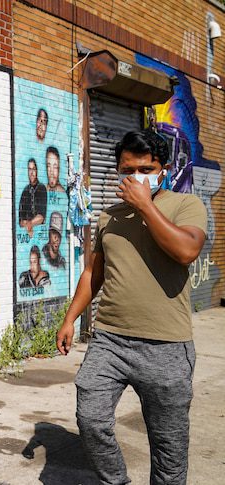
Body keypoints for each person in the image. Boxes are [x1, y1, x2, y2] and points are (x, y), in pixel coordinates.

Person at [56, 129, 207, 485]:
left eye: (146, 168)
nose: (136, 177)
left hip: (166, 346)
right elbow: (94, 272)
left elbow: (186, 251)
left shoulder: (186, 206)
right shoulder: (109, 216)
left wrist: (145, 206)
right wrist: (69, 319)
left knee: (169, 451)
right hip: (110, 341)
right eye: (128, 170)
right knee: (91, 417)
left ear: (164, 169)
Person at [19, 158, 47, 235]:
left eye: (33, 169)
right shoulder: (25, 191)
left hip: (39, 235)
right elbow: (21, 220)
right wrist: (27, 224)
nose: (31, 172)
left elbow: (41, 217)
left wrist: (30, 224)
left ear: (37, 171)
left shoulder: (41, 188)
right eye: (29, 169)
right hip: (26, 236)